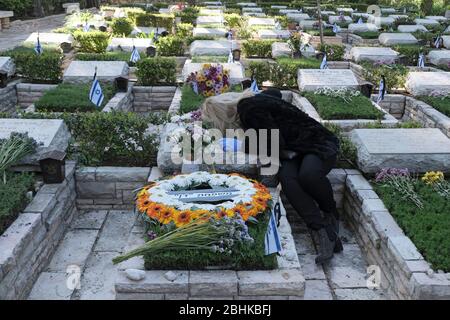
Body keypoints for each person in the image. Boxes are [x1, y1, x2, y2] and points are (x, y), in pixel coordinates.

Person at [236, 88, 343, 264]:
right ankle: (323, 231)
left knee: (308, 175)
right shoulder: (255, 107)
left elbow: (271, 141)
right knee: (288, 179)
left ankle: (330, 211)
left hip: (317, 143)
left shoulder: (253, 107)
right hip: (293, 150)